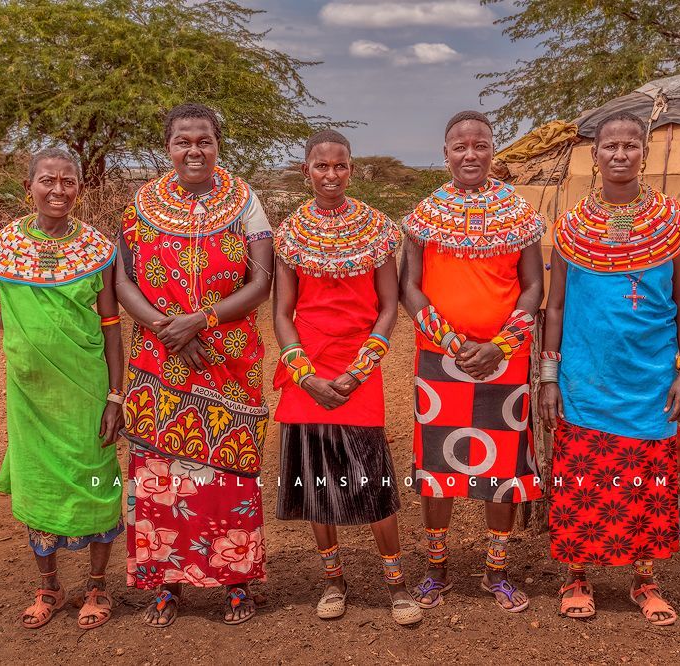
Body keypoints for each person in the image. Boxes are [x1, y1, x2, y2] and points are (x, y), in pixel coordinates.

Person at [0, 148, 123, 630]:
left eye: (68, 182)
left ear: (80, 189)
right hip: (31, 397)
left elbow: (112, 327)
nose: (58, 190)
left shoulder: (97, 248)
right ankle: (48, 585)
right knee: (39, 485)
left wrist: (115, 396)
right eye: (47, 180)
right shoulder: (6, 247)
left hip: (86, 391)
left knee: (97, 482)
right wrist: (15, 328)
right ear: (29, 187)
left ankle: (96, 585)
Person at [116, 103, 273, 627]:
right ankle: (167, 584)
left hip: (228, 359)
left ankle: (235, 580)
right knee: (161, 476)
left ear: (218, 144)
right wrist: (171, 329)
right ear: (168, 147)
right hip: (161, 362)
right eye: (183, 141)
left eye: (203, 140)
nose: (194, 151)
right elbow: (123, 283)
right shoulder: (140, 205)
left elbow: (261, 284)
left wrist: (200, 321)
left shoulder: (247, 203)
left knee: (228, 475)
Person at [540, 111, 680, 626]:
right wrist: (548, 375)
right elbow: (556, 307)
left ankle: (644, 580)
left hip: (649, 380)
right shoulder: (570, 228)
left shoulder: (673, 225)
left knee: (645, 484)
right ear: (595, 154)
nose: (621, 154)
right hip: (586, 378)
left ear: (645, 153)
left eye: (631, 145)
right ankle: (577, 578)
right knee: (582, 484)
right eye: (611, 145)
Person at [272, 130, 422, 626]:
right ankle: (332, 580)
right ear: (305, 171)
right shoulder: (289, 233)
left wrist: (360, 369)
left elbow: (387, 307)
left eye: (340, 166)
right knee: (316, 480)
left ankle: (396, 583)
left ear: (352, 169)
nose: (331, 175)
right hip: (307, 367)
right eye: (321, 167)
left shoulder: (378, 229)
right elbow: (282, 312)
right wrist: (304, 375)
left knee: (373, 477)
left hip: (359, 366)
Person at [400, 110, 546, 613]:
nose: (470, 155)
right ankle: (436, 569)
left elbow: (533, 288)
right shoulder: (424, 215)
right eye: (459, 147)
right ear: (445, 154)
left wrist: (500, 345)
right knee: (437, 464)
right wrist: (450, 340)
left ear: (492, 151)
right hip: (440, 359)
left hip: (504, 359)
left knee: (502, 468)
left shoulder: (520, 215)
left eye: (479, 145)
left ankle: (495, 571)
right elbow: (410, 288)